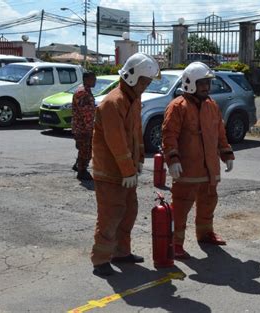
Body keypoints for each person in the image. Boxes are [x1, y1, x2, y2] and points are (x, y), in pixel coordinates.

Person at [90, 53, 160, 276]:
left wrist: (138, 161)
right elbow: (116, 140)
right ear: (132, 78)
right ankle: (100, 260)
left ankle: (121, 252)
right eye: (144, 82)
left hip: (126, 171)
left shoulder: (133, 99)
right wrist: (128, 169)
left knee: (128, 212)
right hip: (110, 172)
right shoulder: (113, 102)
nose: (146, 87)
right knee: (110, 216)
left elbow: (136, 133)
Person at [162, 61, 235, 260]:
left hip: (209, 169)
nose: (206, 87)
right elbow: (169, 135)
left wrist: (226, 154)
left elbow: (220, 133)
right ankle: (176, 243)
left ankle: (205, 233)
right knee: (181, 207)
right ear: (190, 83)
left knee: (208, 202)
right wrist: (173, 159)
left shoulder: (212, 106)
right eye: (202, 83)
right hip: (188, 169)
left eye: (208, 83)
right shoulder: (177, 106)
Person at [71, 71, 96, 181]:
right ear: (86, 79)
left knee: (83, 148)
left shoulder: (85, 90)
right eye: (92, 78)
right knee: (86, 150)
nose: (95, 80)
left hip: (80, 127)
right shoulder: (83, 93)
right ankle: (82, 170)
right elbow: (86, 114)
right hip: (83, 128)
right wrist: (90, 130)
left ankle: (78, 165)